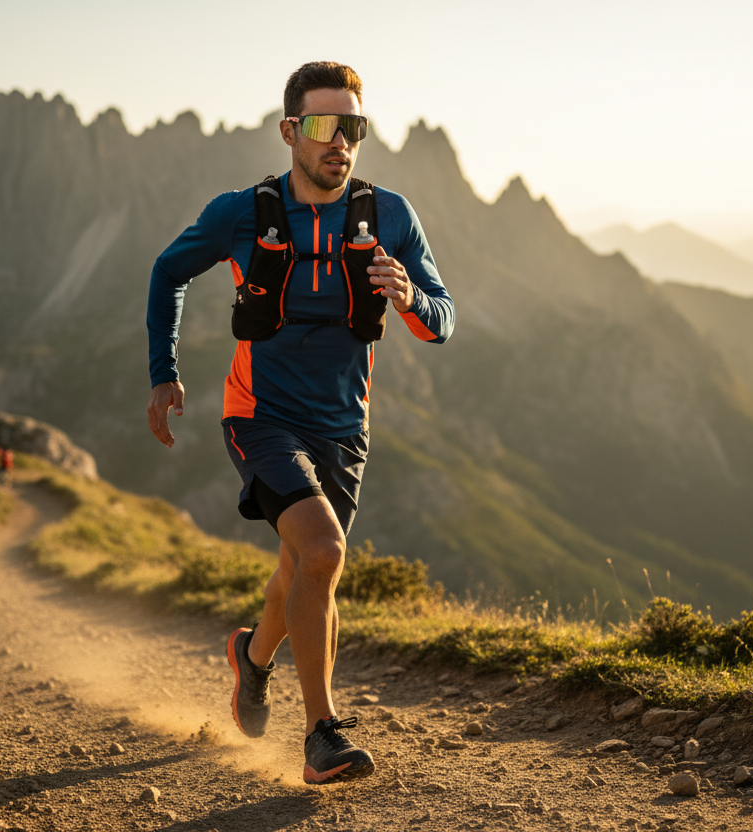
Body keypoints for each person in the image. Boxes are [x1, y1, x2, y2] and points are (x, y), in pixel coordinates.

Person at [145, 61, 454, 785]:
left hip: (344, 427)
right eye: (322, 126)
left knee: (301, 565)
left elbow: (442, 322)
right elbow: (168, 271)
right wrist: (163, 371)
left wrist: (408, 294)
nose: (338, 143)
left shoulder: (392, 216)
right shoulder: (241, 212)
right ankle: (321, 734)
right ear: (290, 132)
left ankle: (252, 659)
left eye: (352, 127)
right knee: (322, 551)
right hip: (259, 416)